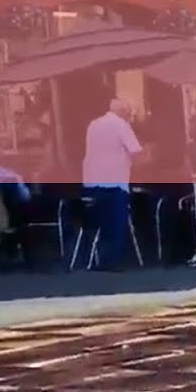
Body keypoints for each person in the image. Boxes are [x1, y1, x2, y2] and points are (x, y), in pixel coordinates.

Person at [82, 98, 145, 271]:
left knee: (101, 222)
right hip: (115, 181)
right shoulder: (121, 125)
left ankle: (97, 259)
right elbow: (135, 151)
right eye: (129, 113)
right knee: (116, 222)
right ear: (124, 111)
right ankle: (112, 262)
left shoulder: (93, 124)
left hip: (92, 181)